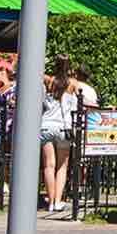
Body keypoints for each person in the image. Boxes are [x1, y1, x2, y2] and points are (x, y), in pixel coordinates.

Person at [40, 56, 78, 215]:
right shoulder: (72, 84)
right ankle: (57, 201)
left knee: (49, 165)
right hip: (63, 127)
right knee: (62, 166)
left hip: (46, 125)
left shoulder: (48, 81)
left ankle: (49, 201)